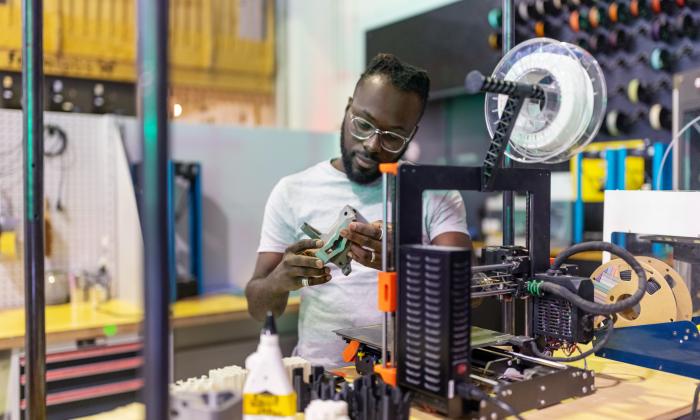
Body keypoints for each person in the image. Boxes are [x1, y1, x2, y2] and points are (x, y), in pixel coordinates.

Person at [245, 53, 471, 367]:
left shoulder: (435, 193)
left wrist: (404, 262)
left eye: (393, 136)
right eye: (363, 124)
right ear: (349, 106)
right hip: (321, 381)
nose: (372, 144)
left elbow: (463, 294)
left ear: (412, 134)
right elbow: (258, 306)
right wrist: (281, 279)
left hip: (410, 373)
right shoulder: (292, 191)